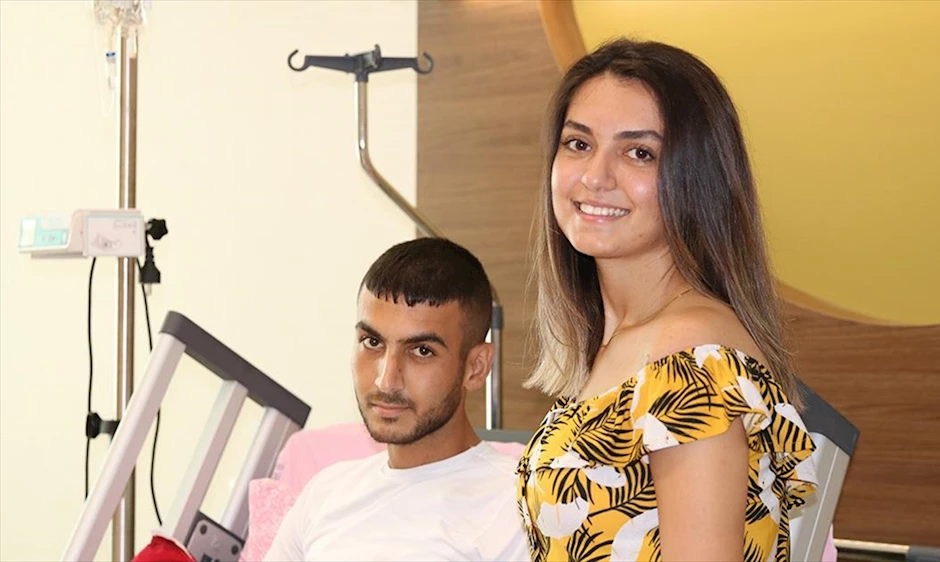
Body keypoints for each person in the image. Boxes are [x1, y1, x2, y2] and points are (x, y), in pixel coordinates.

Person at [516, 38, 818, 562]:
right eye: (578, 143)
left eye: (639, 153)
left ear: (696, 178)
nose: (595, 177)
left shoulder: (689, 354)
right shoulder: (623, 341)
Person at [265, 238, 530, 561]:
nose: (386, 380)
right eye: (372, 342)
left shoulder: (517, 508)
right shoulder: (325, 494)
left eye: (422, 351)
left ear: (476, 367)